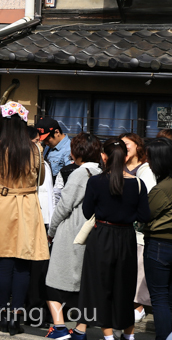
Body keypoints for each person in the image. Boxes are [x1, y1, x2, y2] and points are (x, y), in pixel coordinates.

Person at [0, 102, 49, 333]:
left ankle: (2, 316)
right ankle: (17, 317)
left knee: (4, 263)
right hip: (27, 207)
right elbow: (40, 180)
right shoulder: (35, 149)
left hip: (2, 207)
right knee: (23, 265)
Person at [79, 138, 150, 340]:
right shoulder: (137, 183)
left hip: (102, 235)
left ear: (104, 157)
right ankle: (128, 334)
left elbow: (87, 212)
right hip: (126, 237)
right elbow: (145, 216)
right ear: (126, 156)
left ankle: (108, 335)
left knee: (100, 287)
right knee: (125, 288)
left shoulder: (95, 181)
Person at [44, 133, 103, 340]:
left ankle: (60, 329)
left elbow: (63, 207)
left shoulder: (80, 173)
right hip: (92, 233)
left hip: (72, 231)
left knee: (53, 283)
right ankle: (80, 330)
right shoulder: (102, 171)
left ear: (77, 152)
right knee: (83, 286)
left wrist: (51, 231)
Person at [120, 132, 157, 324]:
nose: (125, 147)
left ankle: (138, 307)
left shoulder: (145, 169)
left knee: (137, 269)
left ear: (138, 146)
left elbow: (149, 197)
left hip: (137, 228)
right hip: (121, 228)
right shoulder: (119, 167)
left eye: (128, 144)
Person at [145, 137, 172, 340]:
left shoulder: (162, 188)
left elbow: (146, 214)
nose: (148, 163)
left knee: (160, 298)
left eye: (150, 158)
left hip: (160, 244)